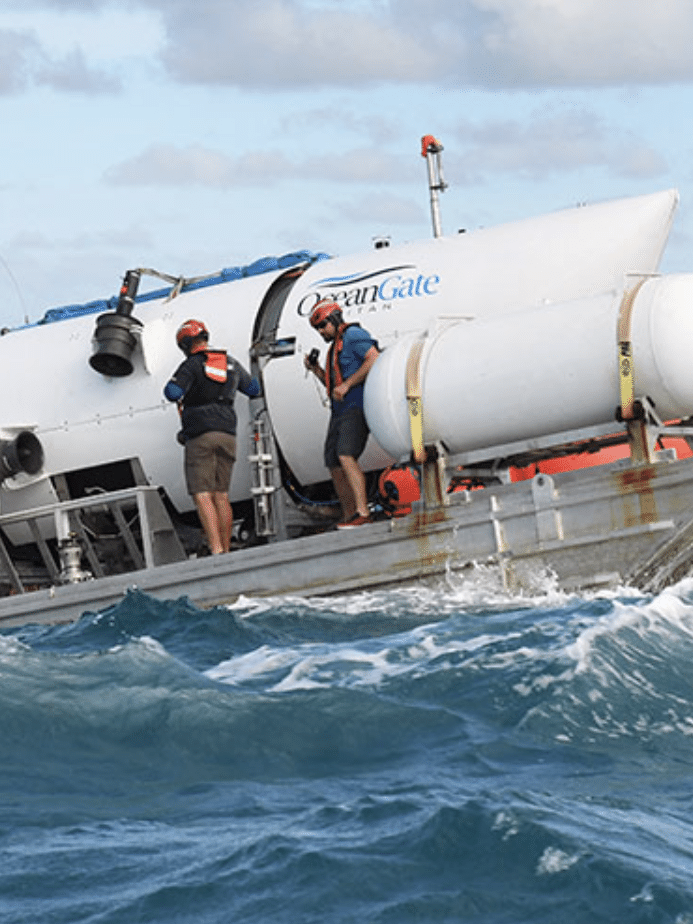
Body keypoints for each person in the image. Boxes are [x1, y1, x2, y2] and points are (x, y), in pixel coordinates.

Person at [164, 319, 260, 554]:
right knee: (221, 495)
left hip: (201, 436)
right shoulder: (229, 362)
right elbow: (253, 389)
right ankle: (225, 549)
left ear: (186, 344)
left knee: (202, 494)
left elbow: (172, 392)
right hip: (228, 434)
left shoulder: (191, 365)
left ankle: (216, 550)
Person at [304, 300, 380, 528]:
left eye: (323, 325)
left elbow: (374, 358)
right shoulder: (334, 347)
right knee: (333, 461)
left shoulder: (354, 335)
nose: (321, 331)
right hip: (339, 411)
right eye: (317, 328)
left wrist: (348, 385)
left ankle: (362, 511)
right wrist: (316, 370)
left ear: (335, 319)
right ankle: (349, 515)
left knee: (346, 455)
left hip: (355, 406)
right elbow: (334, 384)